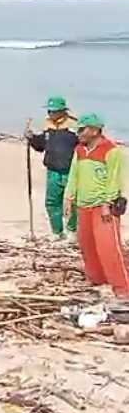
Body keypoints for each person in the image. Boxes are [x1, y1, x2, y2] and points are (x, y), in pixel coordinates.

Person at [64, 113, 128, 297]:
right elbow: (73, 174)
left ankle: (122, 288)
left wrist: (108, 202)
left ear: (94, 130)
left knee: (109, 248)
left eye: (82, 129)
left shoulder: (111, 150)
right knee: (86, 244)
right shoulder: (80, 150)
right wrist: (69, 198)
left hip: (102, 205)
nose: (79, 133)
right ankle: (98, 280)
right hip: (83, 205)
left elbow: (114, 179)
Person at [26, 95, 78, 239]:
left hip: (71, 170)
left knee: (72, 202)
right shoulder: (48, 126)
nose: (50, 114)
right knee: (52, 202)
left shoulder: (74, 127)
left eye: (53, 111)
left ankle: (72, 231)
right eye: (49, 111)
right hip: (52, 170)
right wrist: (31, 138)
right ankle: (57, 232)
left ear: (63, 111)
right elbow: (41, 146)